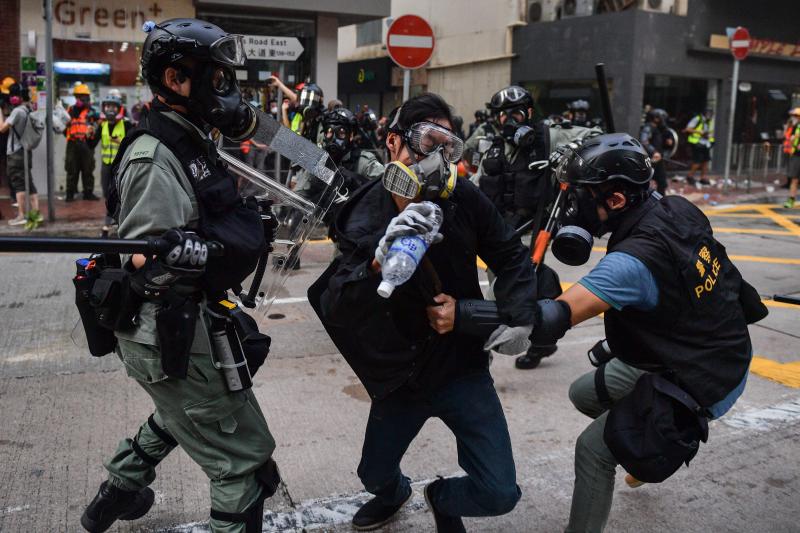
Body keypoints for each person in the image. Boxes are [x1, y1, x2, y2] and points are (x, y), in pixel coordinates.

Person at [81, 18, 279, 533]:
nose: (227, 91)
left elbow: (197, 215)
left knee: (185, 414)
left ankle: (118, 492)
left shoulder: (190, 137)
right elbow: (142, 261)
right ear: (175, 79)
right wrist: (183, 253)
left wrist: (226, 230)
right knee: (244, 462)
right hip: (167, 328)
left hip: (192, 321)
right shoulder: (153, 156)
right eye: (216, 78)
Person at [309, 93, 537, 532]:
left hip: (461, 366)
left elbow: (511, 255)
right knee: (372, 475)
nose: (436, 159)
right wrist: (379, 260)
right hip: (402, 376)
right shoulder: (362, 213)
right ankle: (396, 492)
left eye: (446, 147)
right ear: (394, 144)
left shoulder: (462, 199)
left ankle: (443, 498)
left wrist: (512, 315)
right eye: (427, 142)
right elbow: (337, 305)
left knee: (499, 492)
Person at [524, 133, 755, 532]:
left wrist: (474, 314)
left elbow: (552, 319)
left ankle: (650, 448)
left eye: (581, 196)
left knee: (593, 450)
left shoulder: (632, 263)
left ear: (615, 201)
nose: (573, 207)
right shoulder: (677, 208)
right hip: (706, 349)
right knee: (583, 392)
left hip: (705, 376)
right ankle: (645, 441)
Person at [473, 85, 600, 369]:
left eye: (515, 113)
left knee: (507, 285)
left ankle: (483, 351)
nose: (510, 121)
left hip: (535, 225)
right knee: (519, 280)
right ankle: (545, 333)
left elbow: (596, 138)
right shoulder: (493, 148)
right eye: (503, 116)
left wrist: (569, 151)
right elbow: (476, 187)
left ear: (529, 113)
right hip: (500, 228)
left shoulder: (548, 136)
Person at [0, 82, 41, 225]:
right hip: (25, 151)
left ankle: (22, 216)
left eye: (12, 95)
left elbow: (2, 128)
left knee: (19, 184)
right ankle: (36, 213)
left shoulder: (17, 111)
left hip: (16, 153)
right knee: (28, 182)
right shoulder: (28, 109)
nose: (11, 98)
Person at [99, 93, 132, 230]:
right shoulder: (103, 125)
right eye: (107, 106)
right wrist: (89, 135)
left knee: (121, 192)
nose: (110, 109)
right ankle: (111, 216)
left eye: (113, 106)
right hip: (106, 164)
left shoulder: (126, 124)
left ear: (119, 108)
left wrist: (122, 142)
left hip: (121, 165)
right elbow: (91, 143)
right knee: (107, 192)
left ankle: (118, 219)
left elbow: (133, 141)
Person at [65, 83, 101, 201]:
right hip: (72, 144)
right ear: (76, 97)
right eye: (80, 96)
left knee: (88, 169)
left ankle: (88, 193)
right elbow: (63, 126)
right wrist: (69, 135)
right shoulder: (70, 110)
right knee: (72, 169)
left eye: (84, 96)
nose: (82, 99)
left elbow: (99, 123)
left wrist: (93, 134)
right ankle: (70, 194)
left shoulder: (92, 112)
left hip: (86, 143)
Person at [638, 108, 672, 195]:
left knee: (662, 182)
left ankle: (662, 201)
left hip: (658, 159)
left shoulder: (658, 128)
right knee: (644, 181)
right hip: (649, 159)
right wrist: (654, 152)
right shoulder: (648, 127)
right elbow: (644, 141)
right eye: (662, 118)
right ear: (656, 118)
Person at [684, 106, 714, 186]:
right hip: (696, 143)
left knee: (706, 160)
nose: (709, 115)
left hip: (705, 143)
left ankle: (703, 178)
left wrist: (710, 139)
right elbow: (688, 129)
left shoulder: (709, 121)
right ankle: (690, 176)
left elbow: (709, 132)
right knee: (697, 161)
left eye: (711, 114)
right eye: (708, 113)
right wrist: (698, 131)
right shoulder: (697, 119)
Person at [782, 108, 800, 208]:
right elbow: (790, 138)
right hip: (796, 155)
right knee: (794, 179)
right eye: (794, 116)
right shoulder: (795, 126)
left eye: (796, 116)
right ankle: (791, 200)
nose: (794, 118)